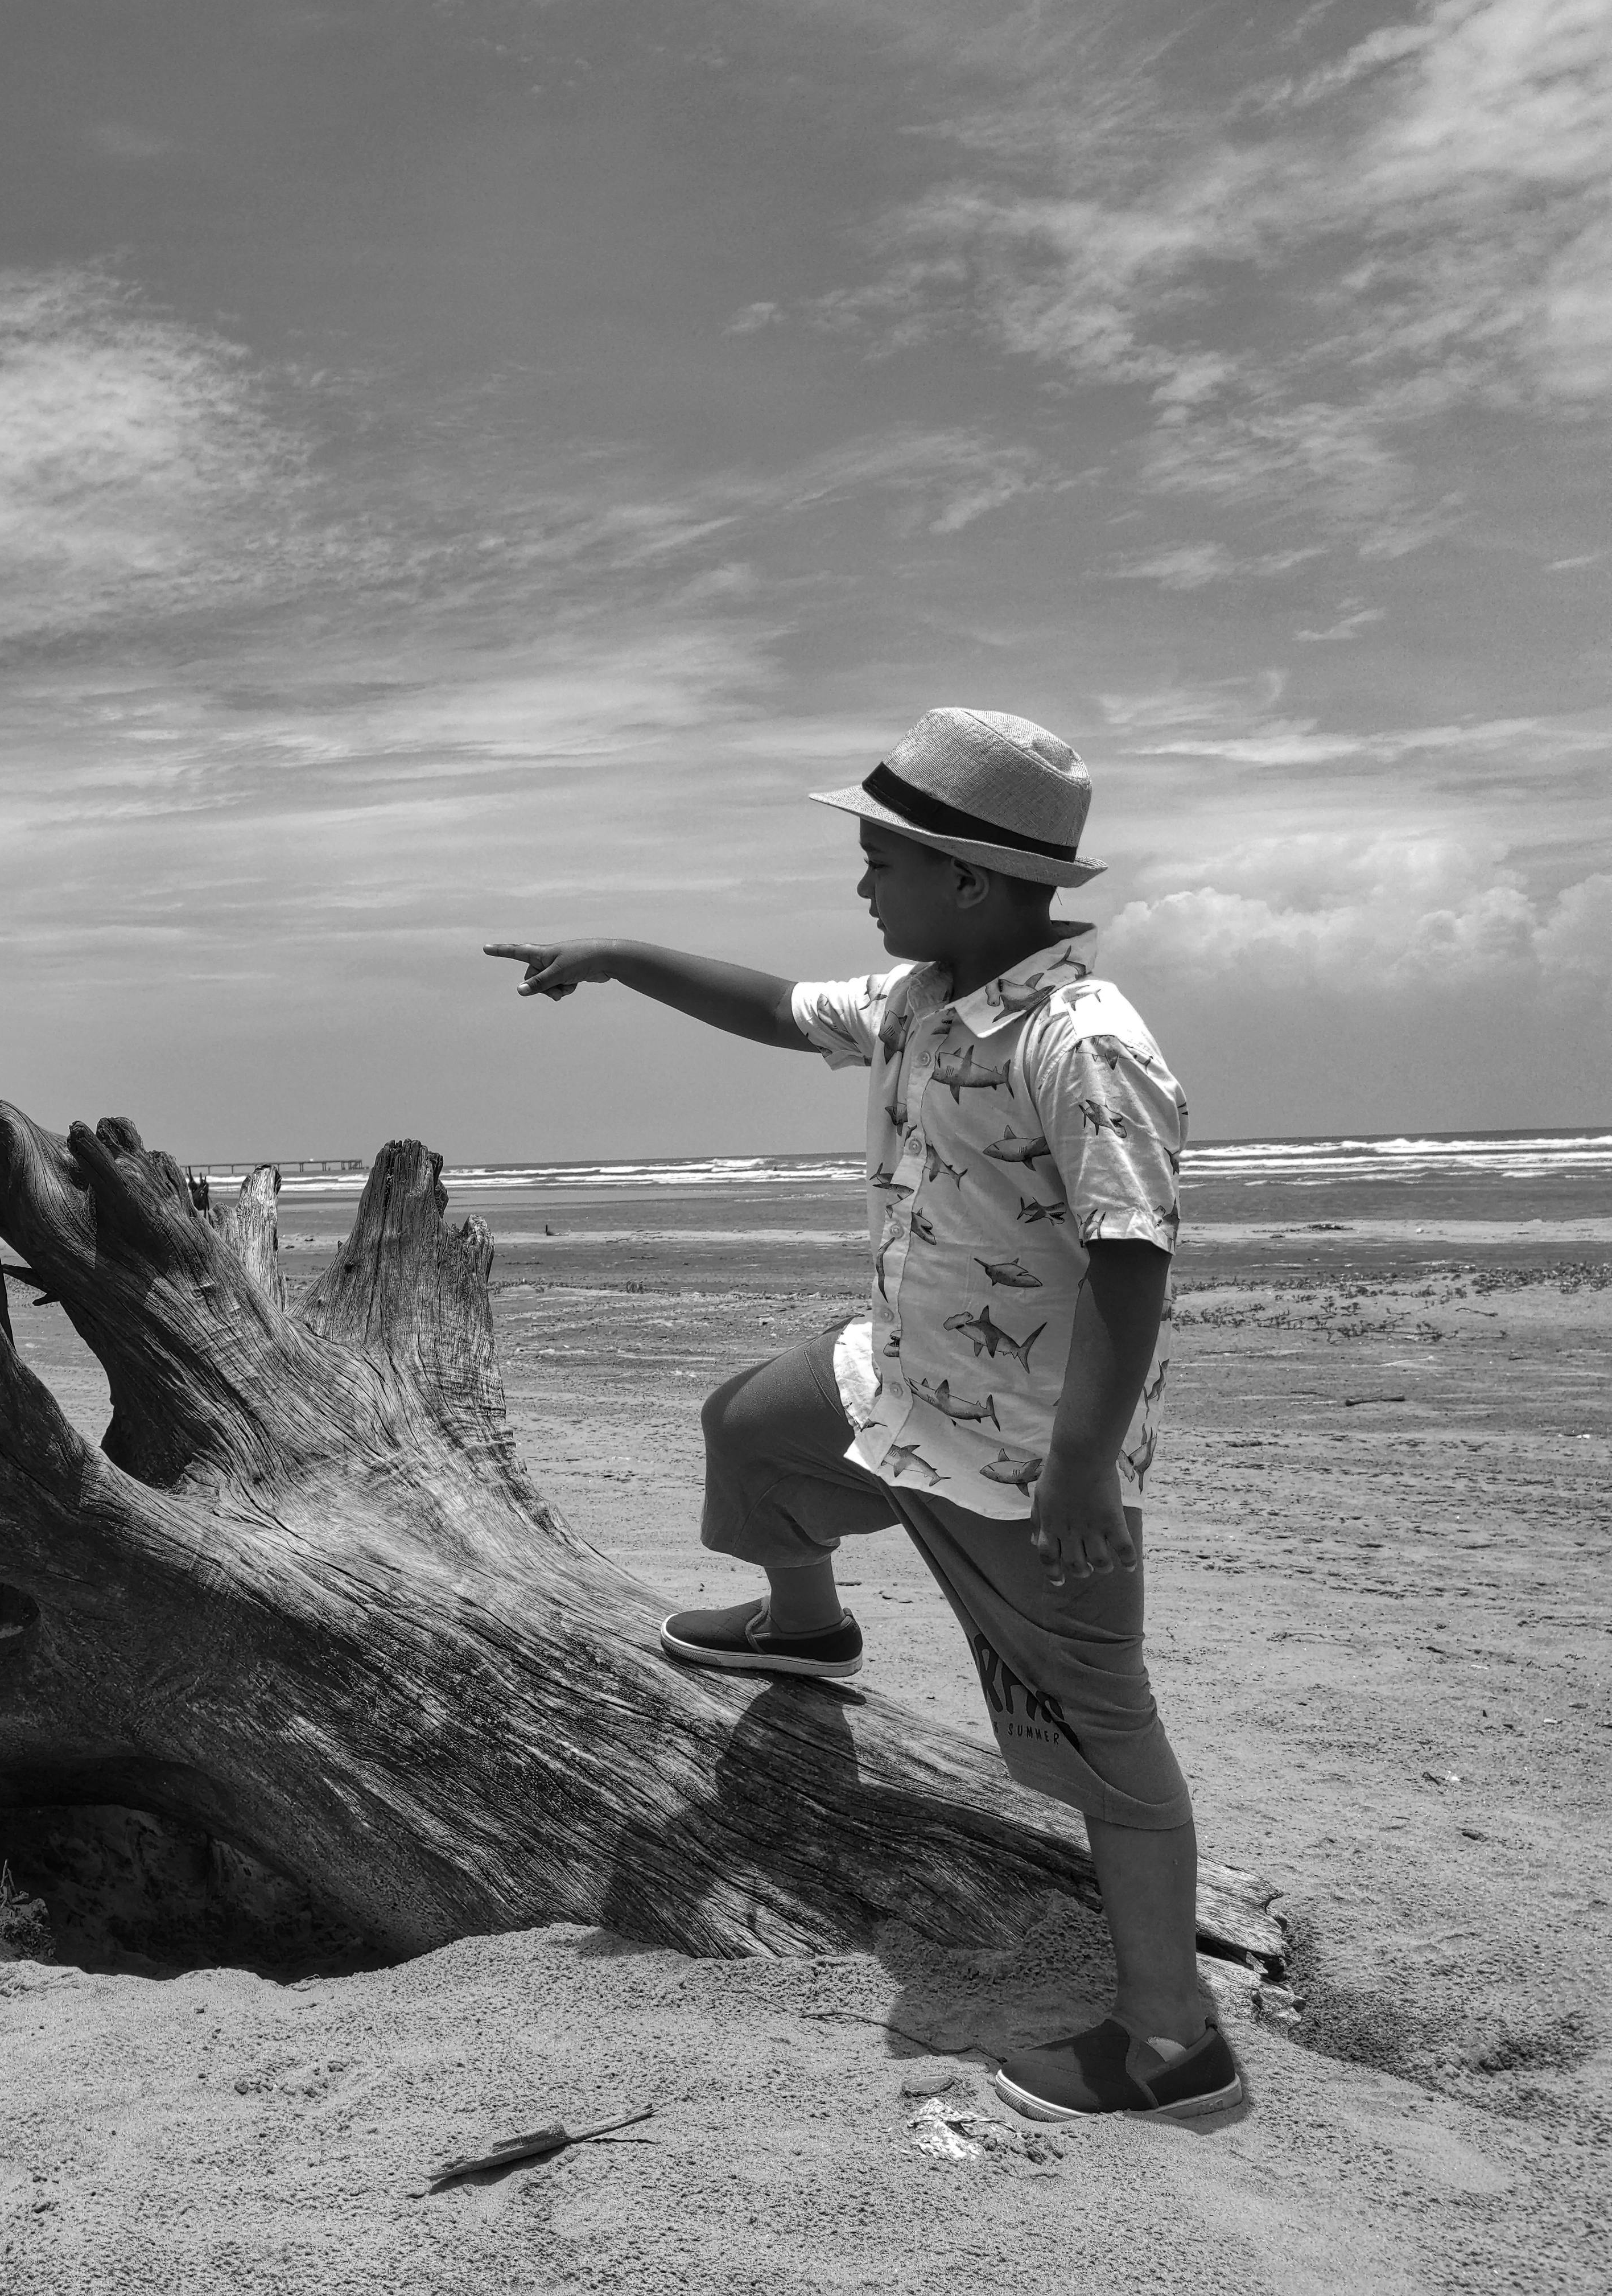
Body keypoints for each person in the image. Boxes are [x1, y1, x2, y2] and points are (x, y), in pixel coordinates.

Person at [487, 707, 1239, 2122]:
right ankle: (803, 1624)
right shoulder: (921, 998)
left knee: (1094, 1734)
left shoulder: (1082, 1043)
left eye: (876, 858)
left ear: (965, 877)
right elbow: (776, 1008)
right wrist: (617, 956)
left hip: (1022, 1451)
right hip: (899, 1382)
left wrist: (1083, 1470)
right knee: (750, 1422)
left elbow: (1133, 1260)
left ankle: (1170, 2042)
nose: (859, 886)